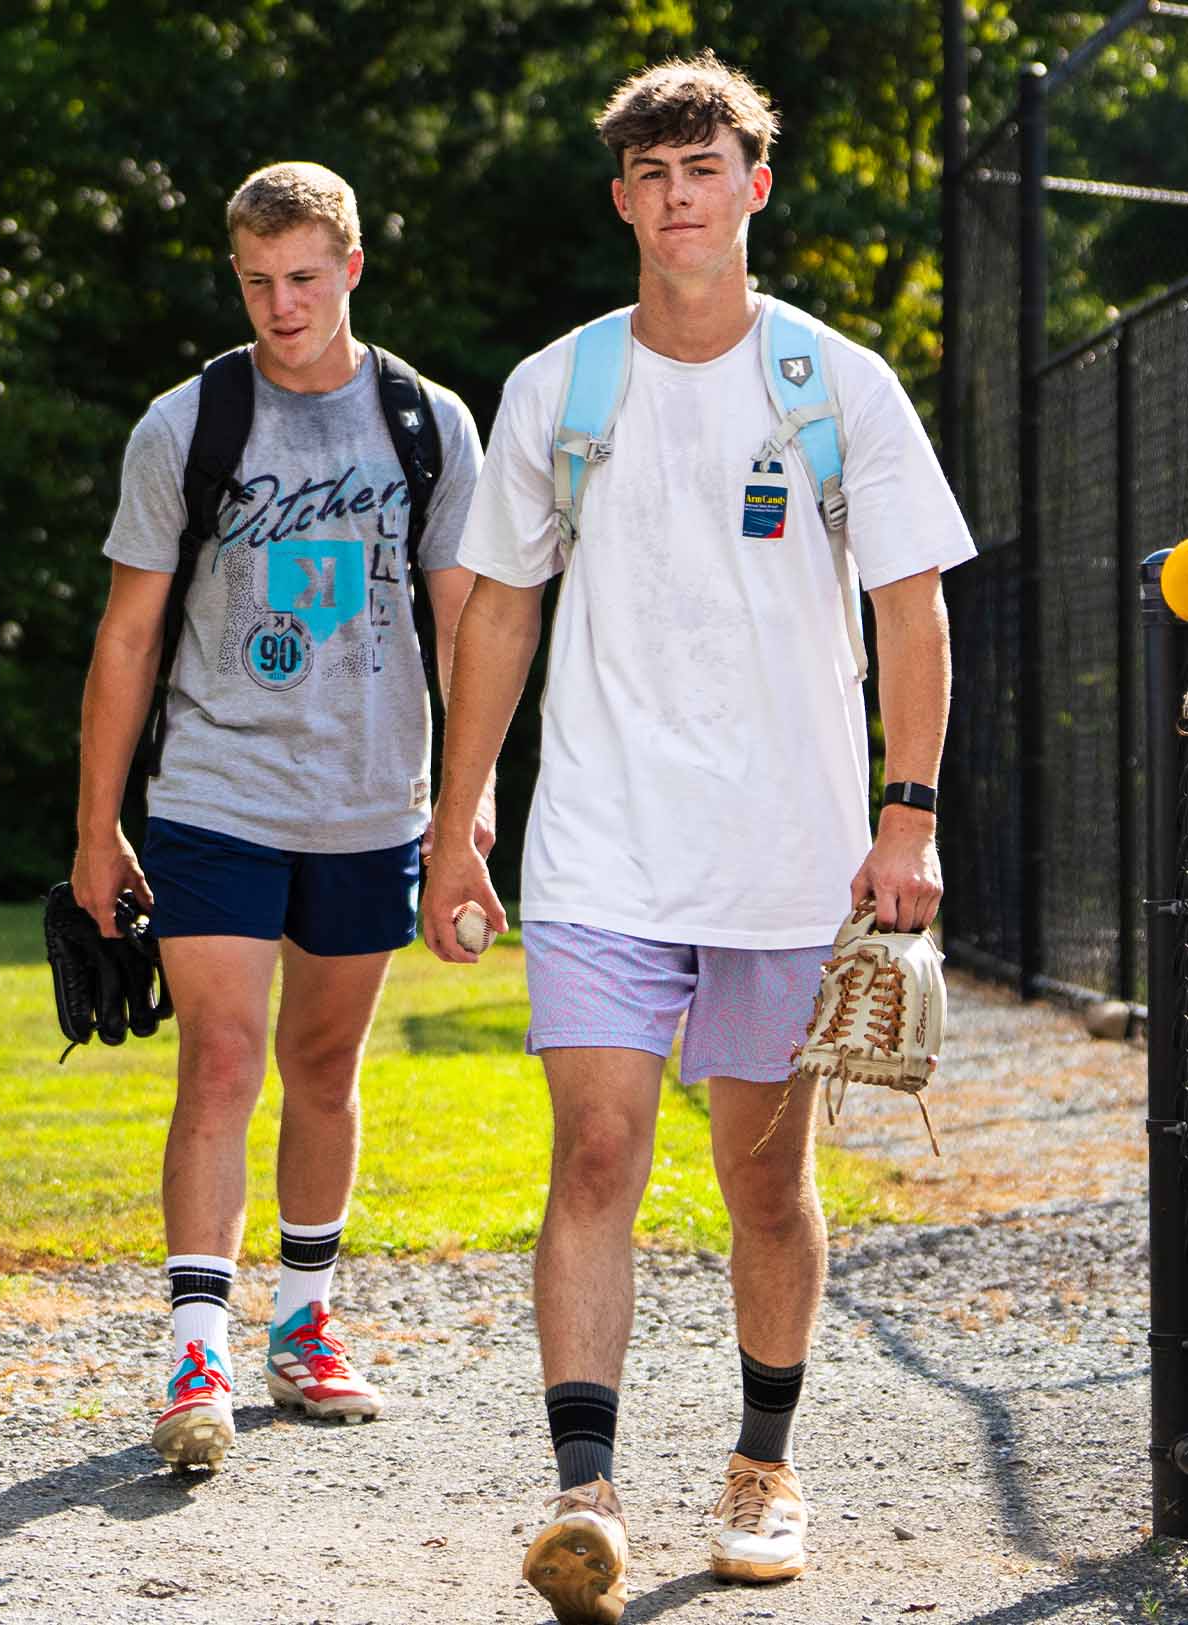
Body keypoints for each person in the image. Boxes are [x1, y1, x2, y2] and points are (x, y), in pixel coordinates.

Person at [422, 50, 975, 1623]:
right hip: (599, 840)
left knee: (764, 1180)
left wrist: (908, 813)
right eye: (652, 176)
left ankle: (760, 1468)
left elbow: (913, 606)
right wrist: (464, 816)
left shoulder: (835, 383)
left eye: (704, 171)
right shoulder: (561, 387)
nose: (679, 199)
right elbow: (500, 607)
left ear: (754, 186)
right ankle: (581, 1495)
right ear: (623, 200)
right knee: (595, 1147)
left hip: (785, 855)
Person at [71, 160, 485, 1471]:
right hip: (216, 792)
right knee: (221, 1060)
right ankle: (195, 1345)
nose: (281, 303)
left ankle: (305, 1324)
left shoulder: (427, 422)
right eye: (257, 281)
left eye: (304, 278)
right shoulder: (187, 423)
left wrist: (466, 818)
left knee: (323, 1067)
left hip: (372, 801)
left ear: (351, 267)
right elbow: (128, 633)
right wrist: (97, 826)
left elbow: (470, 621)